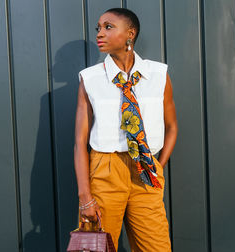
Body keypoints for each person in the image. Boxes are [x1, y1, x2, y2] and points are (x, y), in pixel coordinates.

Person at [73, 7, 178, 251]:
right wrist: (84, 197)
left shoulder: (158, 74)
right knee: (97, 248)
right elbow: (80, 141)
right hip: (105, 171)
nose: (100, 33)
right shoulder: (90, 79)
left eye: (108, 27)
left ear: (130, 33)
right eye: (98, 28)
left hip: (147, 173)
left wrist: (156, 167)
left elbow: (172, 126)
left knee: (157, 247)